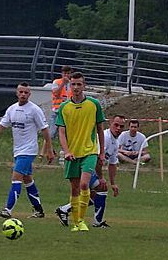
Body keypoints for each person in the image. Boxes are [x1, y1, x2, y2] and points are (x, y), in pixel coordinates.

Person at [0, 82, 55, 219]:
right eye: (21, 92)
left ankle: (8, 210)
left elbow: (45, 130)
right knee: (27, 179)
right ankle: (39, 210)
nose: (23, 94)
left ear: (29, 94)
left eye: (26, 92)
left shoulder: (34, 110)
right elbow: (2, 125)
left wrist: (49, 149)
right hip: (17, 150)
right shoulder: (12, 109)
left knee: (16, 178)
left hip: (28, 151)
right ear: (17, 93)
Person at [55, 72, 105, 232]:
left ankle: (82, 221)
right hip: (72, 154)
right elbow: (61, 133)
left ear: (84, 86)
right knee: (74, 188)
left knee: (84, 184)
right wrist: (67, 151)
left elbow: (100, 129)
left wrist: (101, 152)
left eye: (79, 84)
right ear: (69, 86)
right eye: (73, 84)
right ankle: (76, 223)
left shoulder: (94, 104)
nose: (76, 87)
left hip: (90, 152)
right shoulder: (64, 107)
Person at [55, 115, 125, 228]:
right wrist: (101, 177)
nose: (118, 128)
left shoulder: (115, 143)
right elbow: (96, 158)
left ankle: (64, 210)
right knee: (102, 189)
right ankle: (98, 222)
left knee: (93, 196)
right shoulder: (105, 137)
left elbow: (112, 164)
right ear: (110, 123)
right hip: (84, 166)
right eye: (116, 125)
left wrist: (113, 183)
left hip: (90, 168)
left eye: (121, 126)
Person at [49, 65, 72, 139]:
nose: (66, 75)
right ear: (62, 74)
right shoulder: (57, 82)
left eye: (68, 73)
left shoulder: (72, 83)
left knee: (67, 134)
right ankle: (48, 148)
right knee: (52, 133)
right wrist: (63, 84)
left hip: (68, 111)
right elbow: (55, 93)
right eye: (64, 73)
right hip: (57, 110)